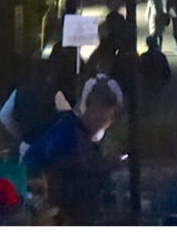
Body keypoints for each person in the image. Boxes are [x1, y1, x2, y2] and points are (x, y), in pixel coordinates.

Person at [24, 80, 119, 223]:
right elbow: (72, 176)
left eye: (106, 121)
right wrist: (108, 165)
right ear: (87, 109)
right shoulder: (68, 134)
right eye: (99, 118)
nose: (101, 125)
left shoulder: (79, 132)